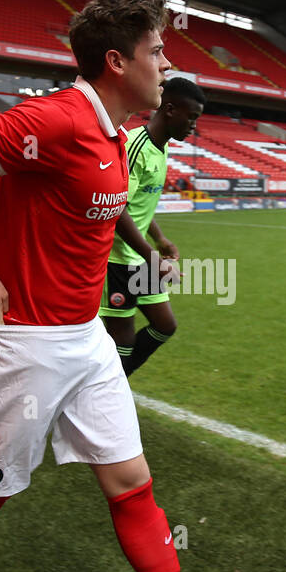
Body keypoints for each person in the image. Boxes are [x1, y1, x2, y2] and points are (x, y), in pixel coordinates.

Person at [0, 0, 274, 572]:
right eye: (158, 51)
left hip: (86, 342)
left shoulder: (115, 136)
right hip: (21, 346)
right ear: (117, 61)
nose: (167, 65)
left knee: (132, 484)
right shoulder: (53, 120)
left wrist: (146, 254)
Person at [100, 76, 205, 376]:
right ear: (170, 109)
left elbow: (139, 206)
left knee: (164, 325)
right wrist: (152, 257)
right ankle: (104, 396)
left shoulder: (162, 147)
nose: (194, 126)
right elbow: (116, 209)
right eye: (192, 118)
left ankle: (109, 387)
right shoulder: (134, 147)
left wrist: (159, 238)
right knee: (123, 338)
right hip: (117, 259)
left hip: (142, 258)